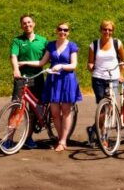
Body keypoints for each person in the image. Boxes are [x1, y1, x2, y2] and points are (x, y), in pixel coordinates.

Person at [19, 21, 82, 152]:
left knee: (65, 111)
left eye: (65, 30)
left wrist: (62, 66)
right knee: (54, 113)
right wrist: (24, 62)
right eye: (60, 29)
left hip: (67, 80)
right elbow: (42, 62)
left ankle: (63, 140)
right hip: (53, 80)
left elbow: (74, 65)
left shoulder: (72, 46)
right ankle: (60, 138)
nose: (62, 32)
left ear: (68, 32)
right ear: (56, 30)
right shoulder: (51, 45)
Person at [9, 14, 47, 149]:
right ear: (21, 26)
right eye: (24, 23)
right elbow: (13, 56)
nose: (27, 25)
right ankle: (9, 138)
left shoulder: (42, 41)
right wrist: (16, 70)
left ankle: (28, 137)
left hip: (37, 78)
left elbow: (47, 58)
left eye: (29, 22)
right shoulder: (17, 41)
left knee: (33, 110)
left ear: (34, 24)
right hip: (22, 78)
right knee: (16, 107)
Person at [87, 19, 124, 103]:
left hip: (114, 77)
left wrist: (121, 74)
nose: (107, 32)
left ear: (113, 31)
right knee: (101, 104)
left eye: (110, 30)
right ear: (101, 30)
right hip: (98, 78)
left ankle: (111, 115)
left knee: (111, 103)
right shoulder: (94, 44)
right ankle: (101, 115)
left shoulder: (117, 43)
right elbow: (90, 62)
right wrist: (90, 66)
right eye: (105, 29)